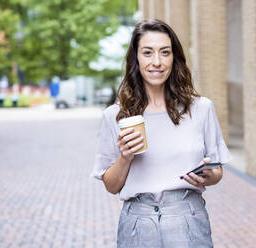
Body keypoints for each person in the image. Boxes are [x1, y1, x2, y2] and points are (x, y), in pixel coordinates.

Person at [91, 19, 231, 248]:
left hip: (189, 220)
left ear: (174, 57)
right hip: (137, 224)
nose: (157, 61)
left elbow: (217, 172)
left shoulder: (201, 108)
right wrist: (125, 157)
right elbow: (111, 186)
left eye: (164, 52)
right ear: (136, 58)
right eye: (148, 52)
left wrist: (207, 175)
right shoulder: (115, 116)